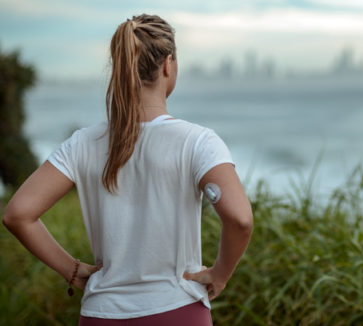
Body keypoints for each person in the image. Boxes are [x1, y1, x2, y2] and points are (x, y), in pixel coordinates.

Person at [2, 14, 253, 326]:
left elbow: (18, 214)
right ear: (168, 65)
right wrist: (219, 273)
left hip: (101, 314)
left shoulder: (83, 143)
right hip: (178, 310)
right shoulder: (198, 142)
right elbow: (240, 219)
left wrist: (72, 269)